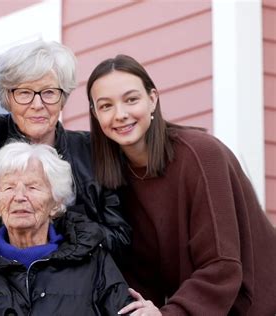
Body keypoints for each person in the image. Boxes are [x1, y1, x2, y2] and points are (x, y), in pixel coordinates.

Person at [86, 54, 276, 315]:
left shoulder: (201, 156)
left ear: (152, 99)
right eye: (106, 106)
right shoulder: (113, 180)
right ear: (95, 114)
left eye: (131, 99)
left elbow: (221, 266)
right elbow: (141, 276)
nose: (120, 114)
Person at [0, 40, 131, 264]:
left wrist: (52, 231)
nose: (37, 104)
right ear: (7, 98)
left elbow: (120, 237)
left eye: (49, 92)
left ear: (62, 99)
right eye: (24, 93)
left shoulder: (92, 150)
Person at [0, 142, 134, 315]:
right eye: (8, 188)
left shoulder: (95, 263)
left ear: (56, 202)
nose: (19, 197)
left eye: (33, 187)